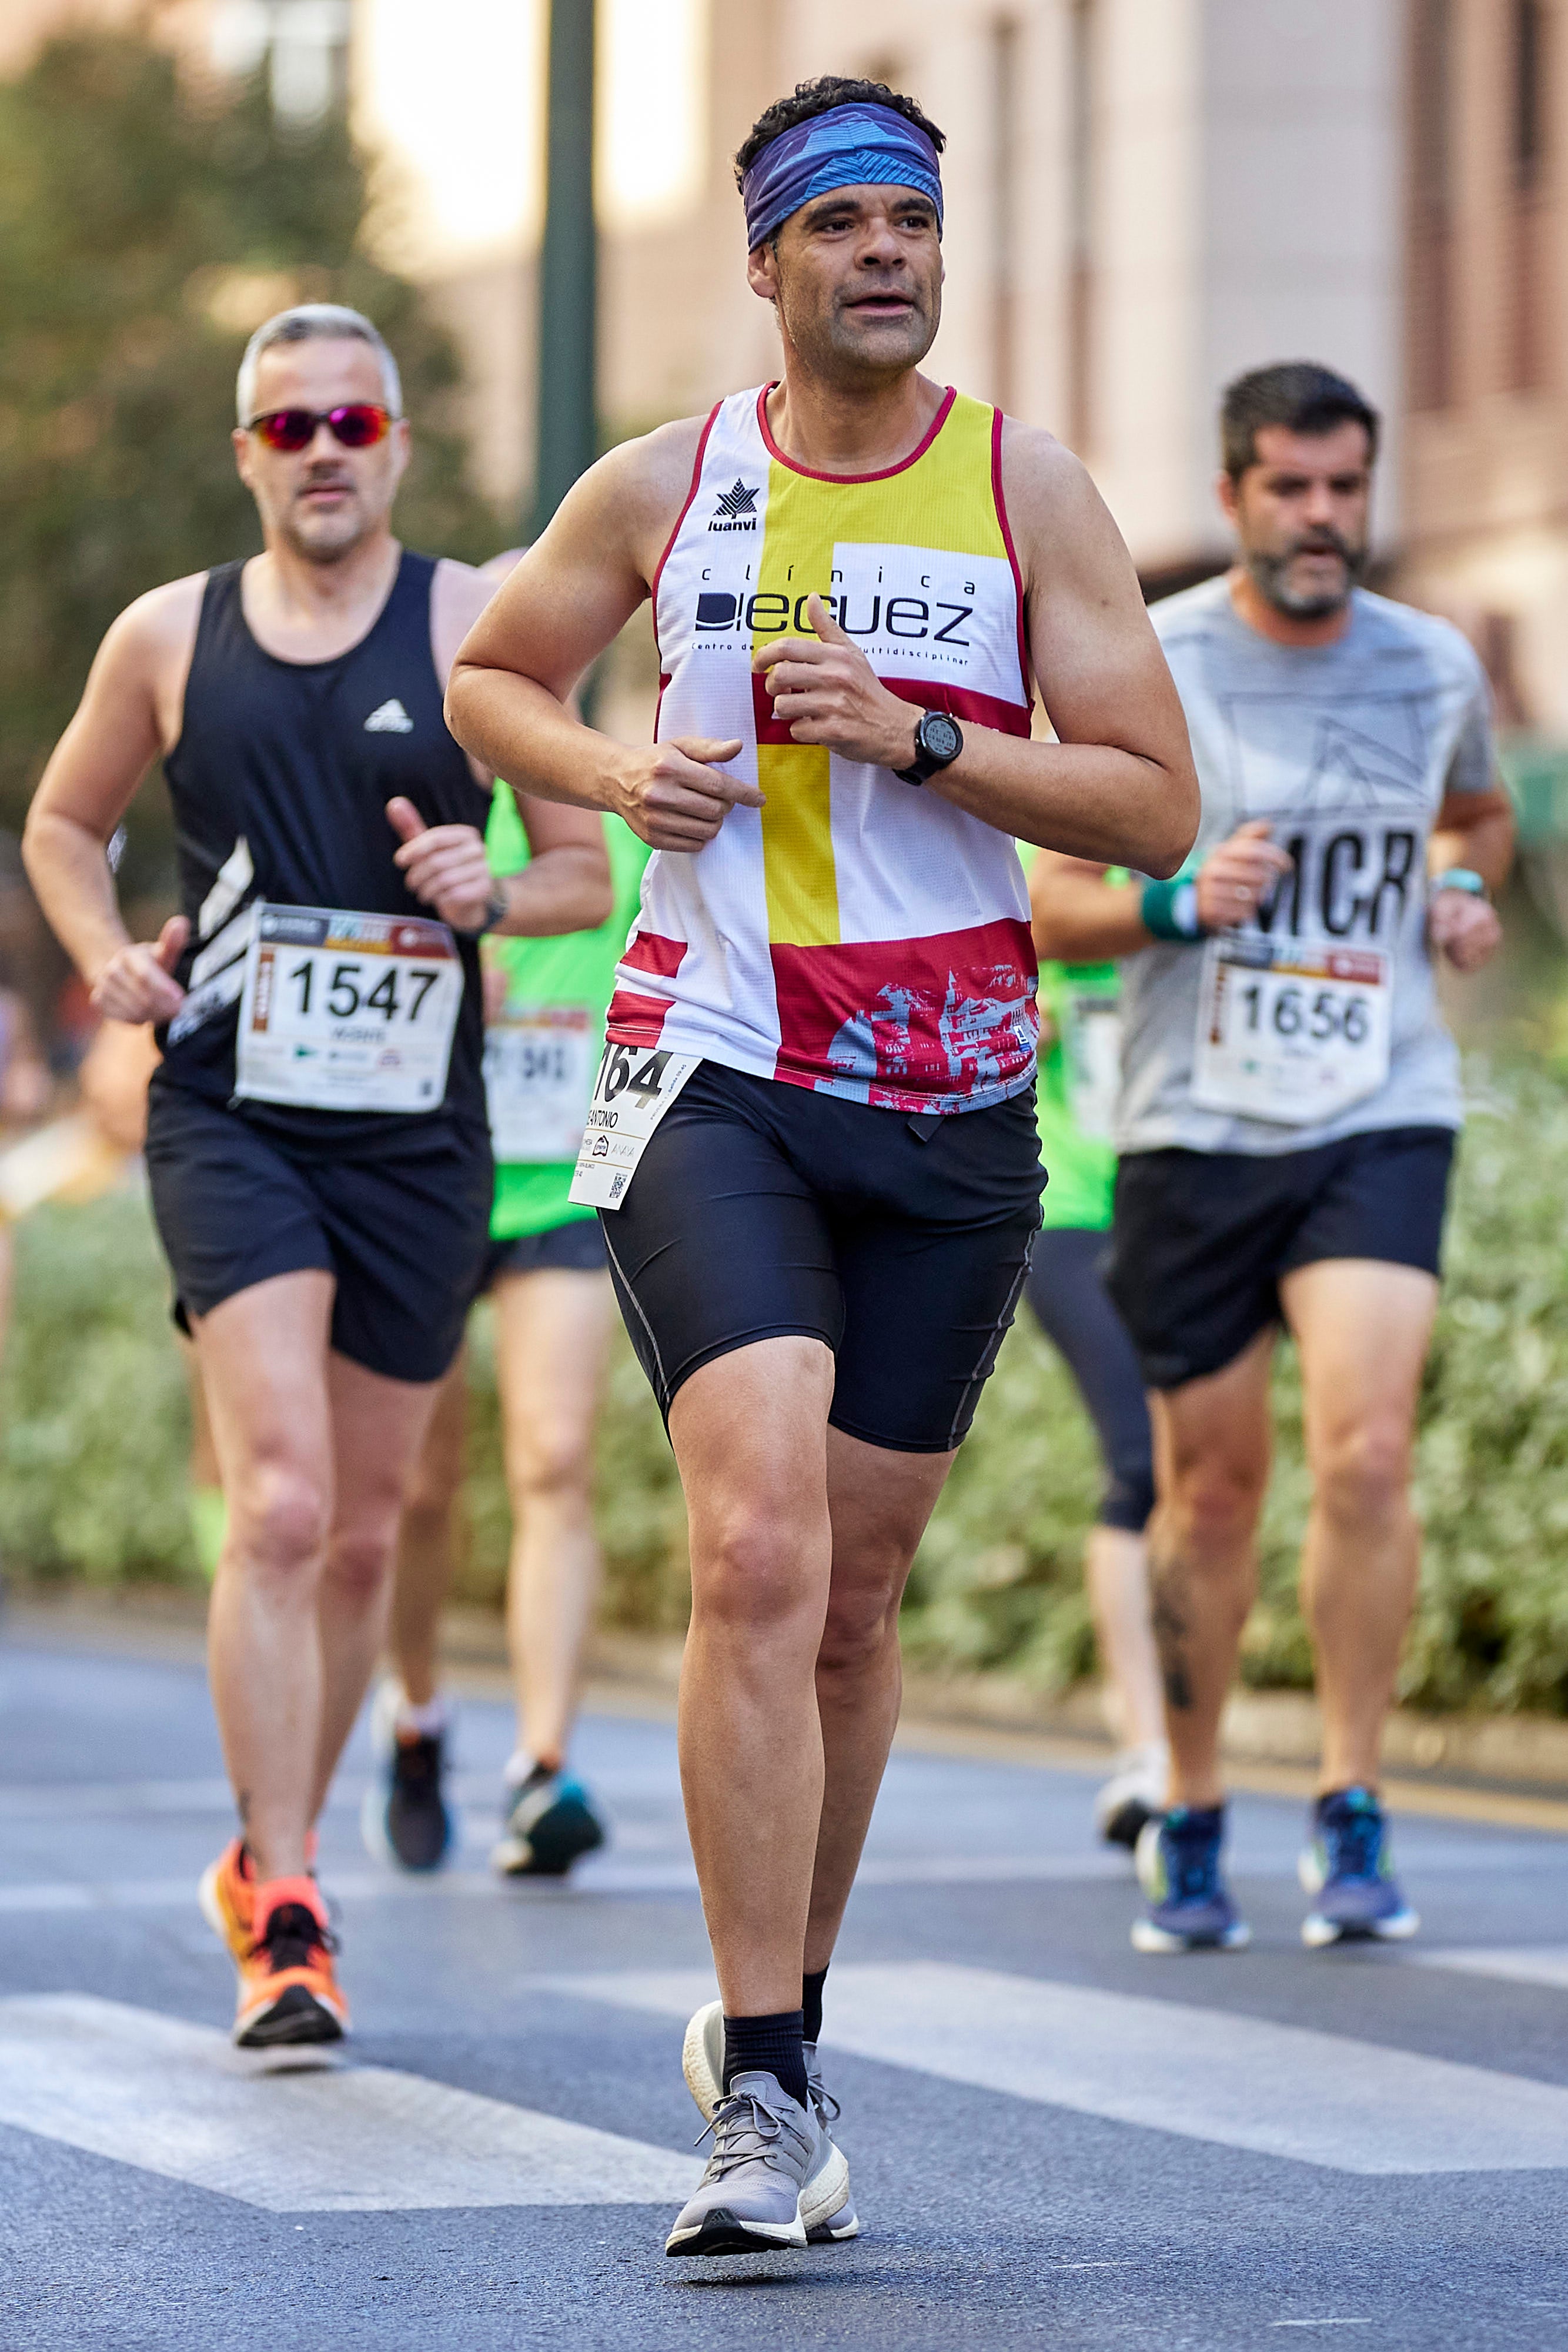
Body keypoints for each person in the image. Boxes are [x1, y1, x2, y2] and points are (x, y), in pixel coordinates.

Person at [444, 78, 1199, 2256]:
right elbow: (494, 671)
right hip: (712, 1062)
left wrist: (925, 737)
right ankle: (759, 2094)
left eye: (910, 222)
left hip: (950, 1089)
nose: (883, 252)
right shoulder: (663, 481)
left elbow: (1152, 806)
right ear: (762, 265)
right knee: (759, 1551)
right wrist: (608, 768)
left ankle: (781, 2005)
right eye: (839, 224)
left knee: (855, 1607)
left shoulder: (1022, 489)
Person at [23, 303, 610, 2049]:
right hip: (232, 1108)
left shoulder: (470, 632)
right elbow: (67, 826)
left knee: (363, 1534)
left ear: (400, 445)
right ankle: (285, 1893)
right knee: (278, 1504)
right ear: (250, 456)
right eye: (292, 427)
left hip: (420, 1131)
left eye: (354, 420)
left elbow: (582, 868)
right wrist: (107, 956)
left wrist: (488, 894)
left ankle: (274, 1843)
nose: (327, 449)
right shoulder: (165, 638)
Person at [1032, 361, 1513, 1956]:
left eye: (1343, 488)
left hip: (1378, 1106)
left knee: (1365, 1451)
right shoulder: (1154, 665)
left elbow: (1474, 817)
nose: (1321, 519)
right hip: (1194, 1127)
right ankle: (1184, 1793)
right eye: (1289, 489)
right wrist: (1174, 903)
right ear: (1233, 494)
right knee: (1210, 1486)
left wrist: (1453, 892)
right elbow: (1045, 906)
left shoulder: (1428, 662)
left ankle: (1351, 1797)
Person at [366, 770, 650, 1876]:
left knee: (555, 1460)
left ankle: (543, 1766)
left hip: (562, 1182)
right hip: (424, 1177)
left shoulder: (614, 812)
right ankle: (419, 1712)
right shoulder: (411, 804)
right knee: (420, 1487)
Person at [1025, 868, 1165, 1847]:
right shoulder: (1063, 859)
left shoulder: (1233, 840)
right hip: (1074, 1204)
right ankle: (1146, 1745)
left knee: (1200, 1474)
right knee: (1139, 1464)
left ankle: (1175, 1737)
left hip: (1195, 1197)